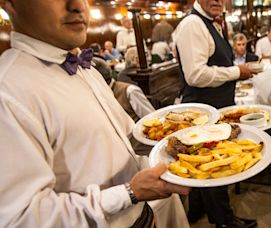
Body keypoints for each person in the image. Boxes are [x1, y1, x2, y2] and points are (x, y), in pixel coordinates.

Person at [0, 0, 190, 227]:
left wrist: (189, 137)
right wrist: (129, 193)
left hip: (145, 217)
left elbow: (130, 137)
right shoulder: (9, 92)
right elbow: (22, 218)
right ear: (9, 4)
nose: (79, 6)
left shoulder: (85, 68)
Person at [174, 0, 256, 227]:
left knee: (203, 163)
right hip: (203, 110)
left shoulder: (213, 24)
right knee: (215, 165)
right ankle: (225, 221)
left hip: (214, 108)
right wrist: (235, 72)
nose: (217, 1)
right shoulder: (193, 24)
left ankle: (197, 211)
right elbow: (195, 75)